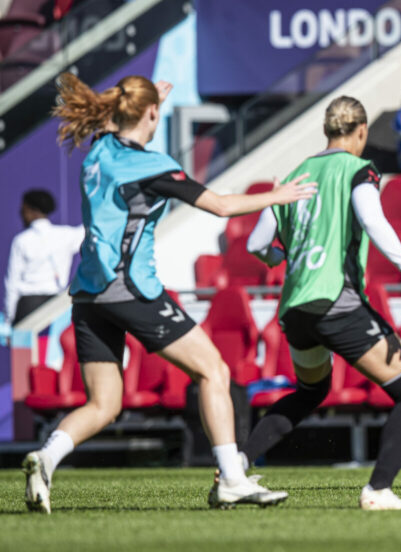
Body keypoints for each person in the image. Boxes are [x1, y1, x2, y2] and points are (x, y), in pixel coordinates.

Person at [23, 73, 314, 514]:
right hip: (130, 288)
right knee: (213, 370)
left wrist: (146, 101)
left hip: (87, 294)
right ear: (151, 114)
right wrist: (278, 195)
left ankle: (45, 459)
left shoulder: (99, 152)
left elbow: (120, 125)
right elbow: (220, 205)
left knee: (105, 403)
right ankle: (231, 480)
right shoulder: (149, 165)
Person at [244, 96, 401, 511]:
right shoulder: (360, 169)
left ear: (326, 131)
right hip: (336, 302)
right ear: (362, 132)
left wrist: (280, 260)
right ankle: (378, 490)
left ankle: (236, 464)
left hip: (295, 309)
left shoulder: (297, 173)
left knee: (310, 391)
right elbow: (372, 220)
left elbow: (257, 243)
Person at [4, 190, 84, 325]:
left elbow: (12, 283)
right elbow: (90, 227)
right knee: (51, 346)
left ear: (31, 210)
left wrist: (9, 318)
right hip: (57, 307)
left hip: (28, 307)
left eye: (23, 210)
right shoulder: (66, 235)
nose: (21, 214)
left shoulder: (21, 241)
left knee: (26, 346)